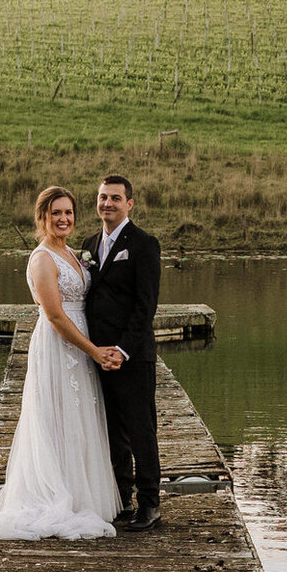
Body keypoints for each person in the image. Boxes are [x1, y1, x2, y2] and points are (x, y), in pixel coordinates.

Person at [0, 186, 125, 541]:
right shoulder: (43, 258)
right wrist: (93, 350)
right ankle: (54, 496)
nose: (63, 219)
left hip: (82, 343)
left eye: (68, 213)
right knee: (57, 415)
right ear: (42, 217)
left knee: (79, 416)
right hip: (60, 344)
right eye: (55, 213)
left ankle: (82, 495)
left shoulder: (74, 253)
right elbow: (56, 316)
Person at [78, 174, 163, 531]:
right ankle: (121, 498)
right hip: (97, 354)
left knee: (141, 430)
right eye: (102, 198)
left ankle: (150, 504)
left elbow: (146, 305)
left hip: (132, 355)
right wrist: (96, 350)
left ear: (129, 203)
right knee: (111, 430)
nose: (107, 204)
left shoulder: (144, 244)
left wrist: (123, 351)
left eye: (115, 198)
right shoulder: (89, 242)